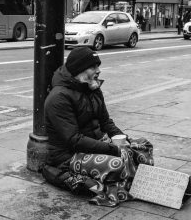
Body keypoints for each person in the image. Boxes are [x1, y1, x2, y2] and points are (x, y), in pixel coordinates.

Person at [43, 47, 153, 207]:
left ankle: (124, 181)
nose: (99, 70)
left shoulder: (92, 87)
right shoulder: (59, 98)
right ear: (80, 69)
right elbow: (74, 140)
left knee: (143, 145)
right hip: (68, 156)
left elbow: (106, 122)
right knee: (117, 163)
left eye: (98, 66)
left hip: (95, 146)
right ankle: (105, 182)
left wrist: (125, 141)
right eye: (93, 67)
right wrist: (113, 150)